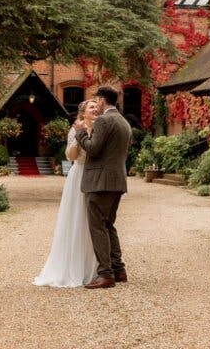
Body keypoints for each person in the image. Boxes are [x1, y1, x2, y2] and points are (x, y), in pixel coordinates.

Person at [33, 99, 99, 287]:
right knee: (76, 218)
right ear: (83, 112)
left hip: (95, 174)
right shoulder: (75, 129)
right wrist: (80, 134)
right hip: (79, 174)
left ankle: (93, 267)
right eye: (91, 107)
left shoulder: (101, 127)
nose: (95, 109)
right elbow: (70, 156)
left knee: (92, 220)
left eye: (96, 106)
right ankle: (73, 266)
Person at [74, 85, 132, 289]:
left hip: (100, 182)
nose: (96, 103)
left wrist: (80, 134)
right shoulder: (123, 121)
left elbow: (93, 148)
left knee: (98, 226)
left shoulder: (105, 120)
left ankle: (105, 274)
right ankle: (119, 269)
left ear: (101, 100)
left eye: (97, 100)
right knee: (109, 225)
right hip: (117, 181)